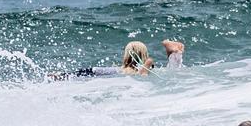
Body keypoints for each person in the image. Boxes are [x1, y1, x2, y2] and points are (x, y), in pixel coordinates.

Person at [48, 39, 184, 80]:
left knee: (141, 75)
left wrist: (61, 75)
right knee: (172, 71)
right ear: (143, 54)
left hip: (130, 74)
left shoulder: (113, 70)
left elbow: (86, 72)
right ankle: (175, 53)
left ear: (126, 55)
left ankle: (147, 67)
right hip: (145, 72)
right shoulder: (154, 71)